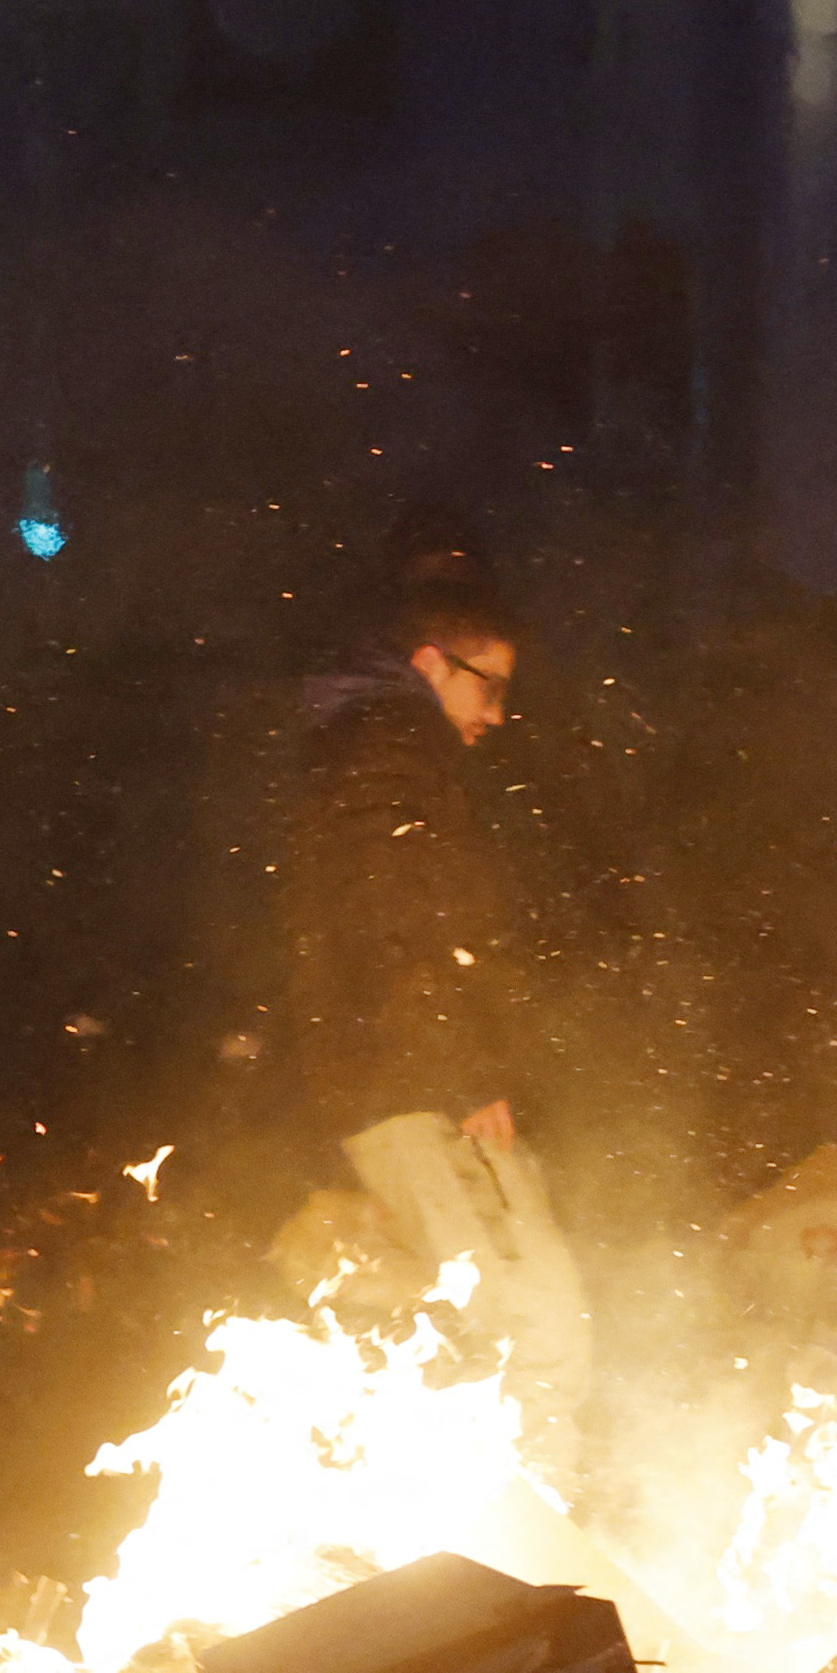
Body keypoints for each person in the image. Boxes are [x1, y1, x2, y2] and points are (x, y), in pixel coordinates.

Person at [277, 584, 589, 1384]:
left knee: (503, 1312)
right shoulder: (389, 747)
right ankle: (533, 1492)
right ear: (427, 662)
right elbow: (395, 916)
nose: (497, 713)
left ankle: (532, 1483)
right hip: (414, 1082)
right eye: (487, 684)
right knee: (519, 1320)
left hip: (403, 1076)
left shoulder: (380, 746)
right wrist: (463, 1069)